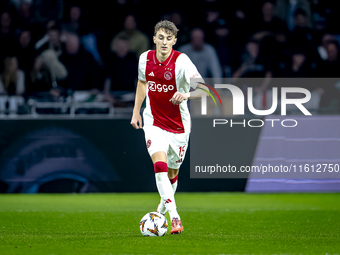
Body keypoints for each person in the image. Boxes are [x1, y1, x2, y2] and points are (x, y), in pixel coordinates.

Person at [130, 20, 208, 234]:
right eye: (160, 37)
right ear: (154, 38)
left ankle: (161, 210)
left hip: (179, 126)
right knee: (160, 166)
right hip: (153, 121)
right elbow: (142, 82)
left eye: (169, 38)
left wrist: (186, 94)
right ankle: (175, 218)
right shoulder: (144, 59)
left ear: (174, 40)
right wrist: (136, 111)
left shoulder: (182, 62)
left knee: (173, 175)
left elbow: (204, 90)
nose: (164, 42)